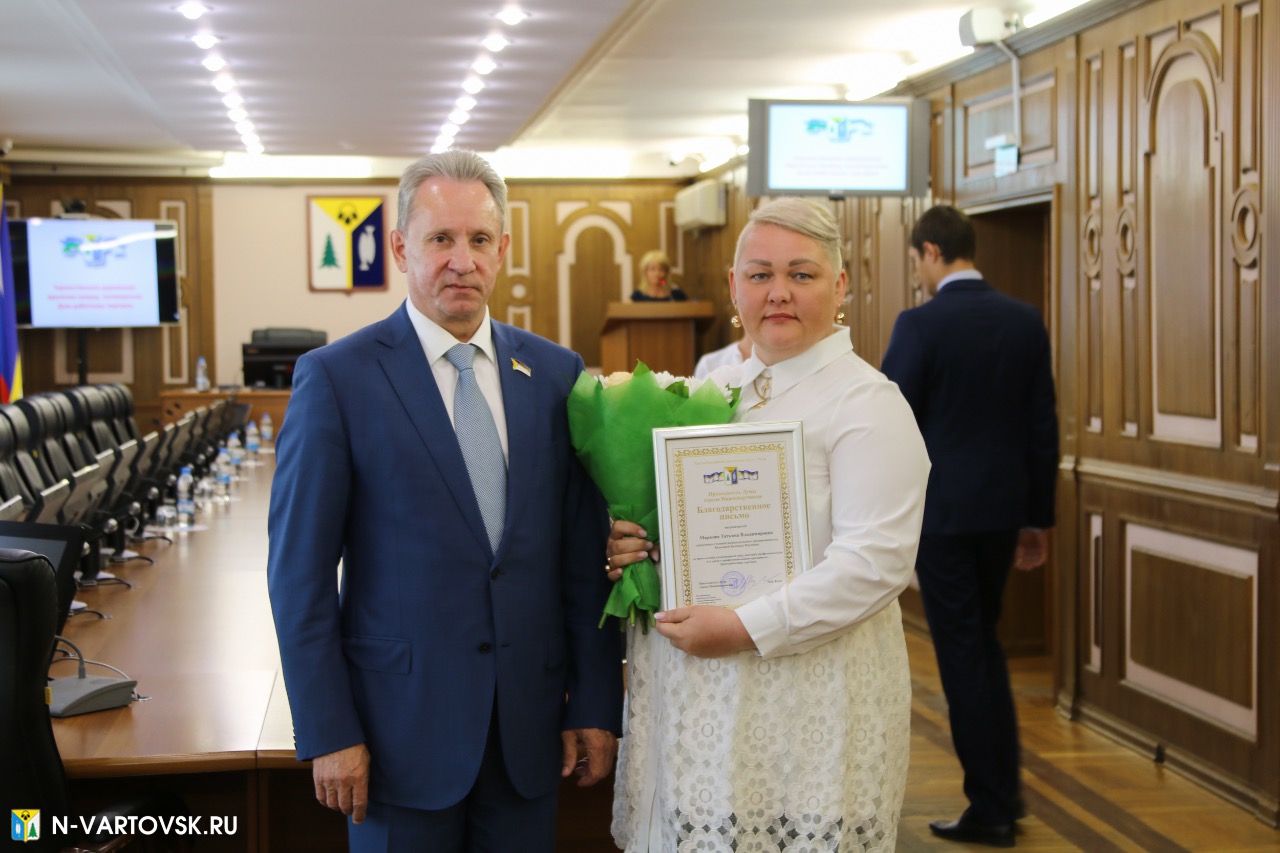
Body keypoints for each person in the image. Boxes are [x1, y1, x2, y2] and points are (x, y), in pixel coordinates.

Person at [266, 150, 624, 853]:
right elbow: (299, 576)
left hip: (529, 734)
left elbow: (582, 562)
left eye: (479, 239)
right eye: (441, 239)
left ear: (503, 250)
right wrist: (330, 728)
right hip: (396, 737)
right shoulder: (336, 379)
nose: (462, 260)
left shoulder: (557, 375)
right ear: (402, 248)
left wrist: (593, 701)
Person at [605, 197, 931, 851]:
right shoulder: (709, 395)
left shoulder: (868, 401)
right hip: (700, 699)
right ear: (734, 286)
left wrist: (742, 627)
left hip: (811, 700)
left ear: (840, 285)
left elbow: (875, 564)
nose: (778, 292)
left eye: (801, 274)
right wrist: (637, 545)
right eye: (760, 274)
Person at [880, 204, 1058, 848]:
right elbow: (1042, 424)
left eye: (916, 262)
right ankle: (1003, 795)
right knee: (984, 644)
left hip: (945, 516)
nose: (918, 274)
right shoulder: (1024, 319)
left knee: (962, 654)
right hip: (1003, 513)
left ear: (930, 251)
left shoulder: (920, 323)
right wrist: (1037, 519)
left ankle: (991, 807)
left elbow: (890, 419)